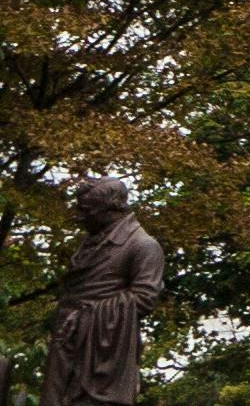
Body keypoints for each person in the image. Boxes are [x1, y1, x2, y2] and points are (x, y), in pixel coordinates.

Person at [41, 174, 160, 406]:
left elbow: (143, 299)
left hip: (102, 353)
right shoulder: (91, 241)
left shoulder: (143, 246)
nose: (79, 216)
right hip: (67, 342)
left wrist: (85, 316)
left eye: (87, 210)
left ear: (111, 210)